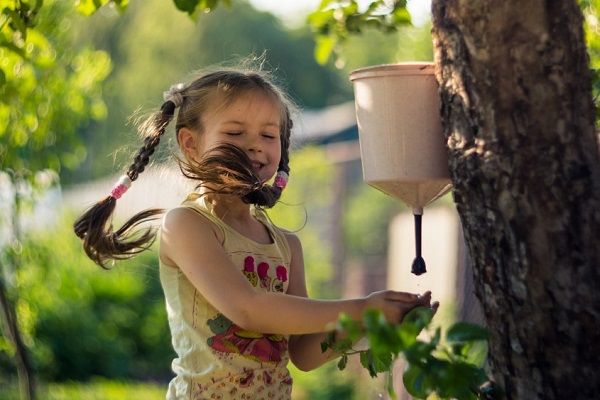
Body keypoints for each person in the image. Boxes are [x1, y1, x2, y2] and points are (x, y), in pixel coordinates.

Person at [74, 64, 439, 400]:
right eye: (235, 132)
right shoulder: (187, 225)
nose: (256, 144)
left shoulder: (287, 246)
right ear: (190, 143)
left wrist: (370, 321)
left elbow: (305, 353)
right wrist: (360, 305)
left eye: (269, 134)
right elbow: (249, 309)